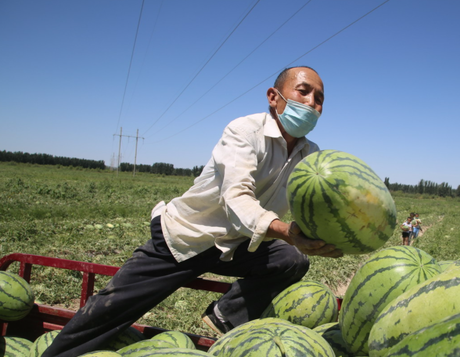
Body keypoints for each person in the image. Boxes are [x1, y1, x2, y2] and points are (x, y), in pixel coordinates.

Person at [42, 66, 342, 357]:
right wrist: (285, 232)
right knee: (105, 313)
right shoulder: (244, 131)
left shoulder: (309, 154)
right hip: (188, 237)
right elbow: (236, 197)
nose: (311, 103)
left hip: (238, 244)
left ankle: (227, 315)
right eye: (303, 92)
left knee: (291, 259)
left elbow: (309, 205)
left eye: (319, 99)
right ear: (273, 97)